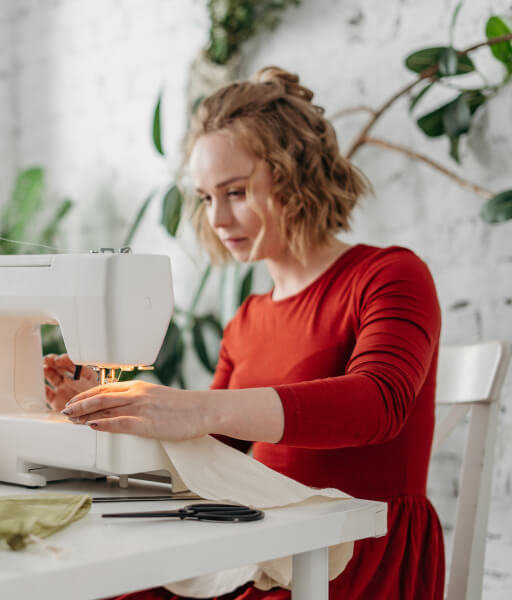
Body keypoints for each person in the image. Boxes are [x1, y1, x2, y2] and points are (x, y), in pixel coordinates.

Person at [43, 66, 445, 600]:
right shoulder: (248, 318)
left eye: (235, 192)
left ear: (298, 176)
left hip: (354, 550)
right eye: (207, 198)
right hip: (270, 537)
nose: (217, 218)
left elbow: (380, 402)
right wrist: (109, 410)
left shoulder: (389, 275)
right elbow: (214, 448)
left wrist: (199, 408)